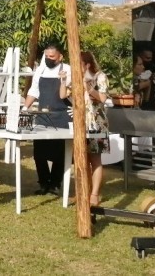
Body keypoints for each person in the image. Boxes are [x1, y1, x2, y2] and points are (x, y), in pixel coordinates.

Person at [61, 51, 110, 208]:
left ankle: (94, 194)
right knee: (81, 158)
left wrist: (87, 87)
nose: (75, 67)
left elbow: (102, 98)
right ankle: (82, 192)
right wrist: (63, 80)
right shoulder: (75, 78)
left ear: (87, 64)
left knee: (94, 159)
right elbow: (63, 95)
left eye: (79, 64)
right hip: (80, 123)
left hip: (96, 123)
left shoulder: (99, 76)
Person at [23, 44, 72, 196]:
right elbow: (34, 90)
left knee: (60, 152)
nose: (48, 59)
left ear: (60, 57)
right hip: (43, 115)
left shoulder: (68, 70)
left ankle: (55, 184)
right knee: (39, 152)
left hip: (62, 114)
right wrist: (25, 108)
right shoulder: (41, 69)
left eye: (52, 56)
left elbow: (70, 92)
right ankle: (43, 182)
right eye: (47, 56)